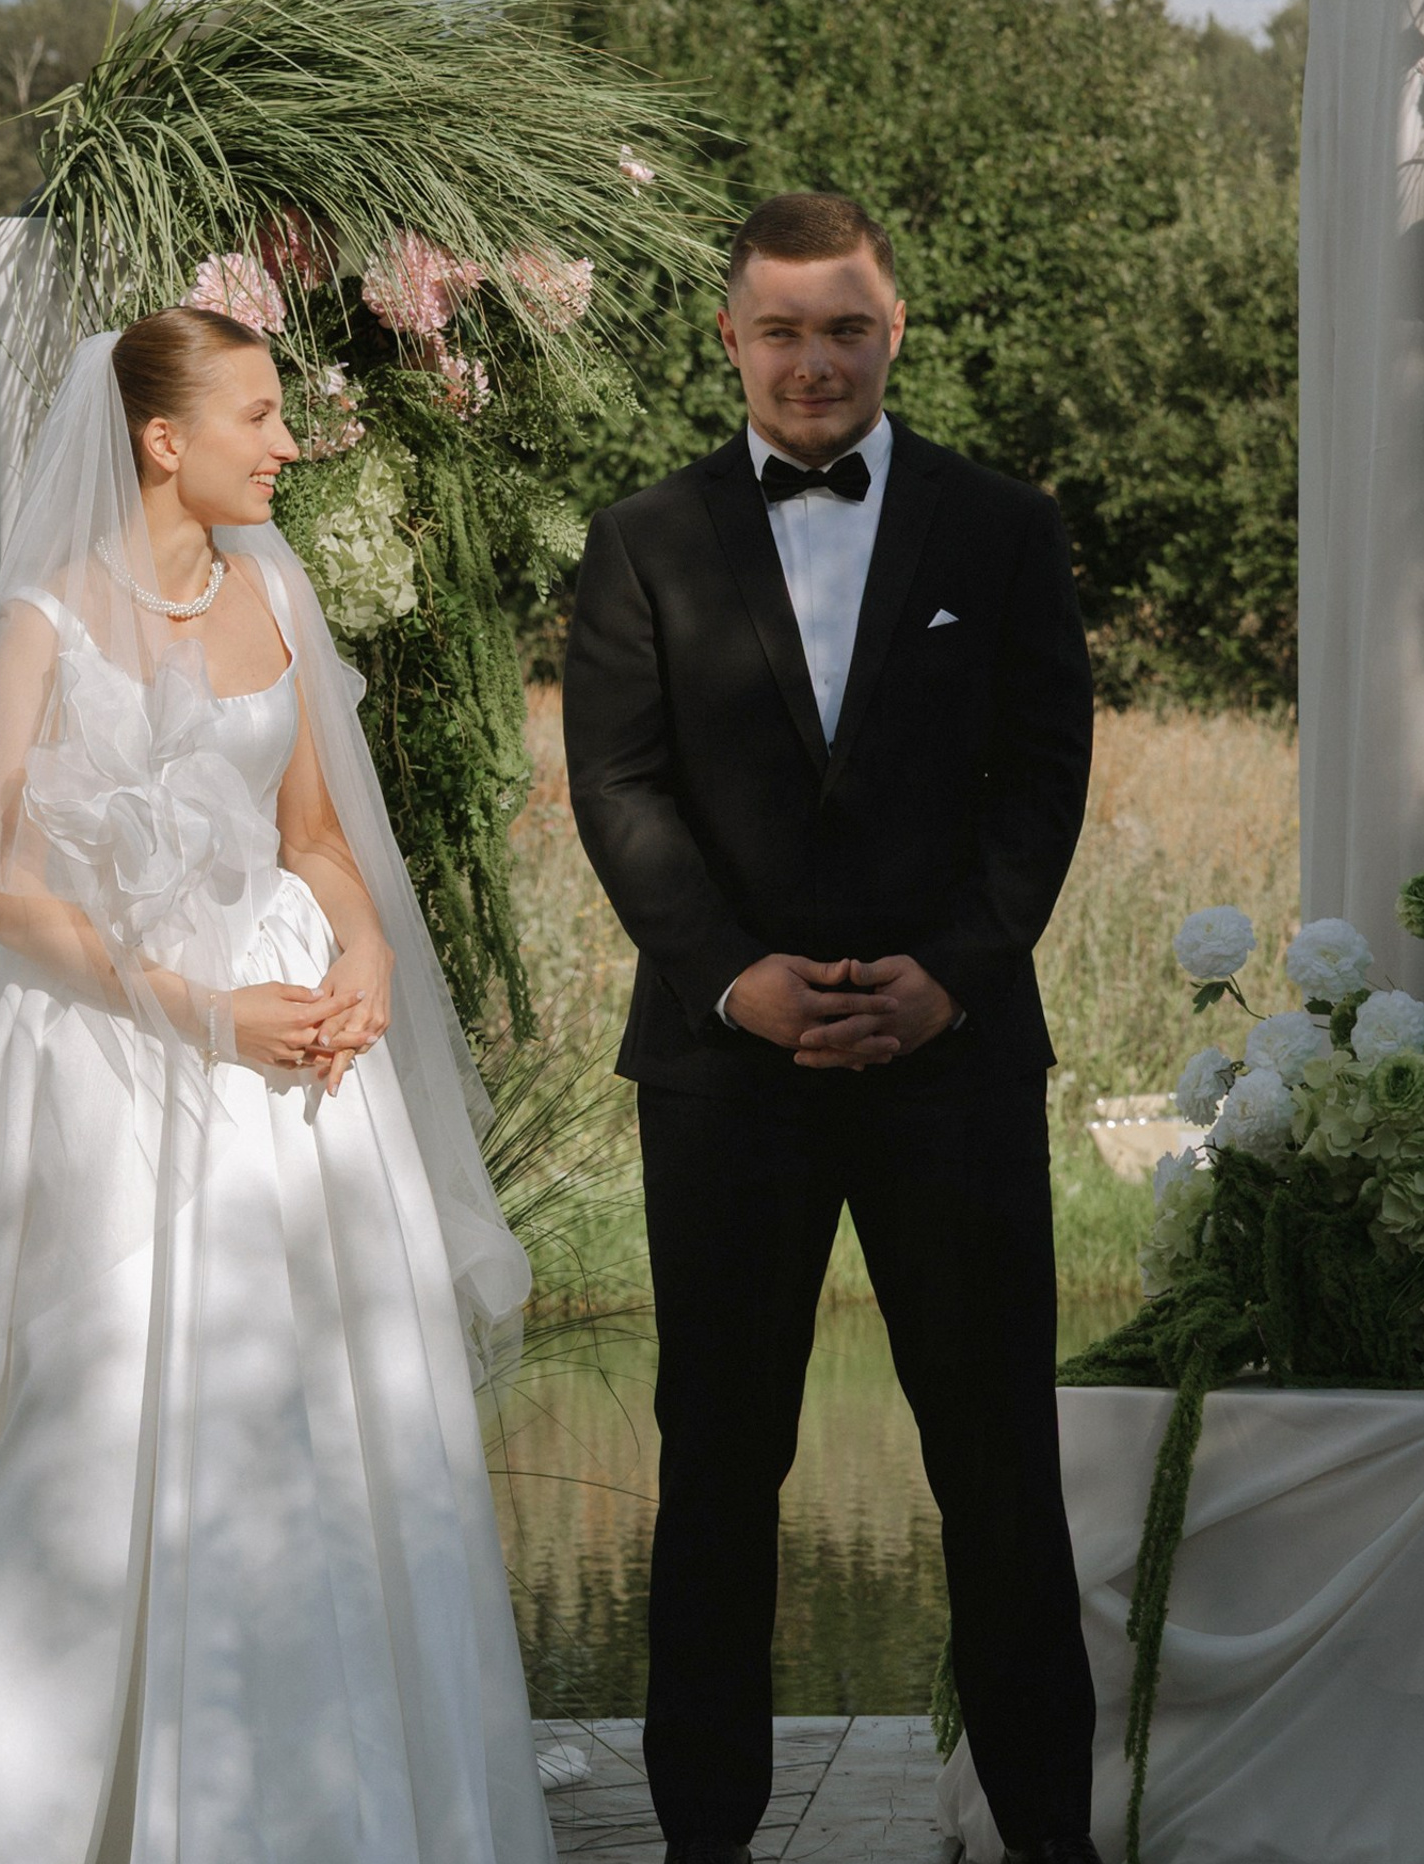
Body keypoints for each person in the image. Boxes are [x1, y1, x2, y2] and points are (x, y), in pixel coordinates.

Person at [0, 307, 552, 1864]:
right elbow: (5, 893)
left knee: (329, 1411)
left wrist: (368, 966)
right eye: (260, 415)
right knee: (109, 1406)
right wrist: (210, 1018)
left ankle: (341, 1807)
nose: (288, 441)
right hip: (122, 1054)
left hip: (297, 1063)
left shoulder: (273, 590)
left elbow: (320, 839)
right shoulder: (45, 626)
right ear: (163, 438)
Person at [562, 192, 1102, 1864]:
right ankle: (706, 1839)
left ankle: (1050, 1836)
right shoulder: (642, 538)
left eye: (846, 327)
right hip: (726, 1075)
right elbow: (621, 787)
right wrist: (739, 977)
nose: (815, 360)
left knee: (999, 1465)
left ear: (896, 331)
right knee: (720, 1467)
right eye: (783, 329)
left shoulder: (1003, 528)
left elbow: (1043, 780)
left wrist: (949, 970)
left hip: (955, 1064)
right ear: (729, 340)